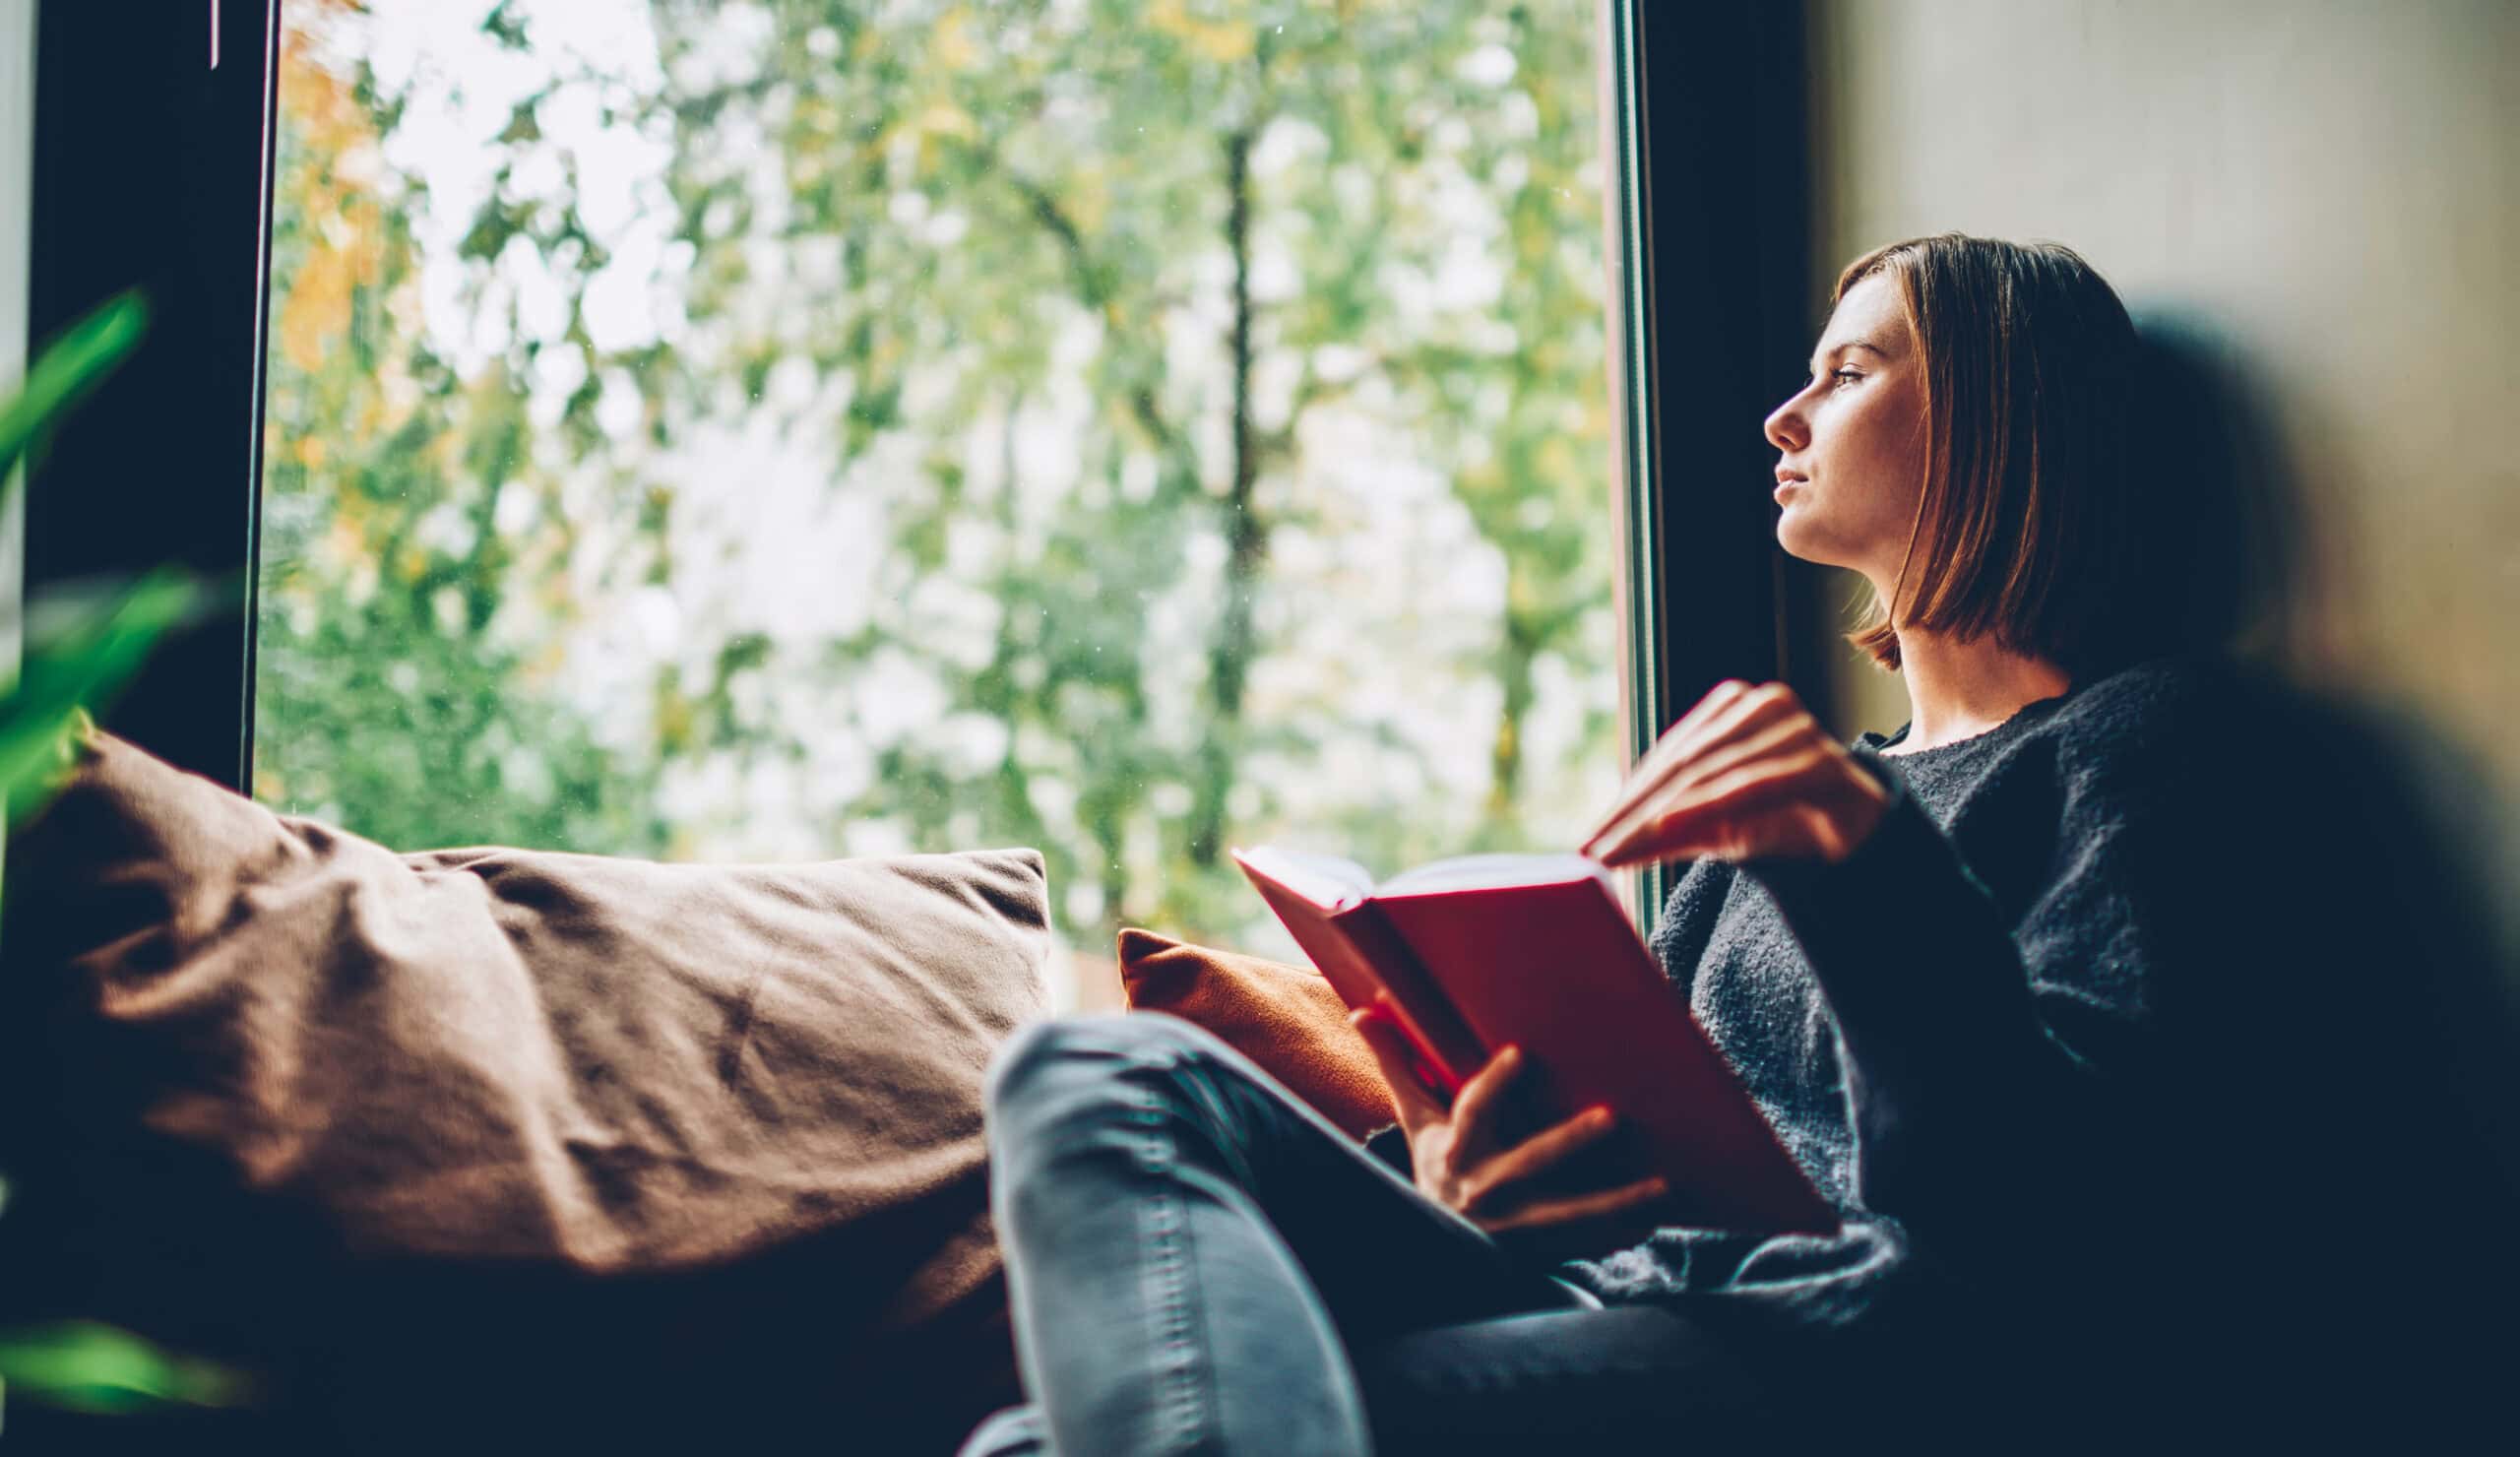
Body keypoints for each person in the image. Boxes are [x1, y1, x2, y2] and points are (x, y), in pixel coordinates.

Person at [956, 233, 2356, 1455]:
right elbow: (1648, 1163)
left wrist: (1858, 865)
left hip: (1860, 1353)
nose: (1781, 417)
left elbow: (2048, 1223)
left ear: (2001, 417)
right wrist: (1474, 1191)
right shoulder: (1773, 822)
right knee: (1098, 1070)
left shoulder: (2141, 748)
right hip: (1623, 1303)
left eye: (1850, 374)